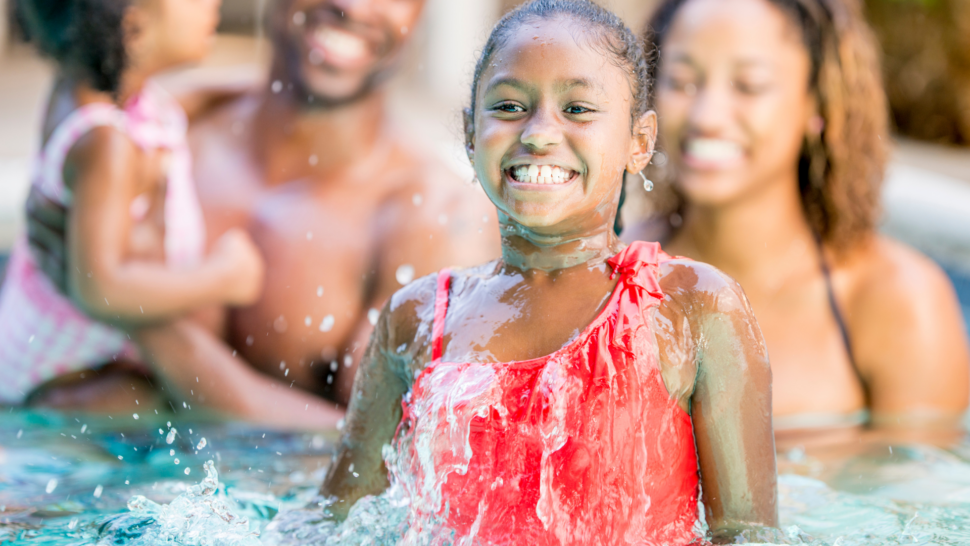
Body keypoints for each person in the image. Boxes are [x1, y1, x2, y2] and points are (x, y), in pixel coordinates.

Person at [315, 1, 777, 543]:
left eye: (578, 109)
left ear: (640, 141)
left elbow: (747, 534)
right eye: (509, 106)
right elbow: (335, 522)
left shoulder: (693, 307)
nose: (538, 133)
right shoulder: (417, 319)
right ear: (470, 133)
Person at [23, 0, 500, 427]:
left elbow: (386, 461)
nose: (351, 5)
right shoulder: (157, 132)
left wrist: (140, 317)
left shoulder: (433, 220)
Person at [630, 0, 970, 447]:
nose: (706, 116)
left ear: (818, 103)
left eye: (749, 85)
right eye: (681, 81)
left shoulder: (898, 304)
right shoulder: (610, 273)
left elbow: (925, 502)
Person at [0, 0, 265, 409]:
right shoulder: (105, 146)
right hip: (61, 380)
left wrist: (257, 89)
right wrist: (223, 277)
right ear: (133, 23)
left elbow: (182, 102)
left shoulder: (104, 94)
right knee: (157, 405)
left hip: (72, 355)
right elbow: (100, 289)